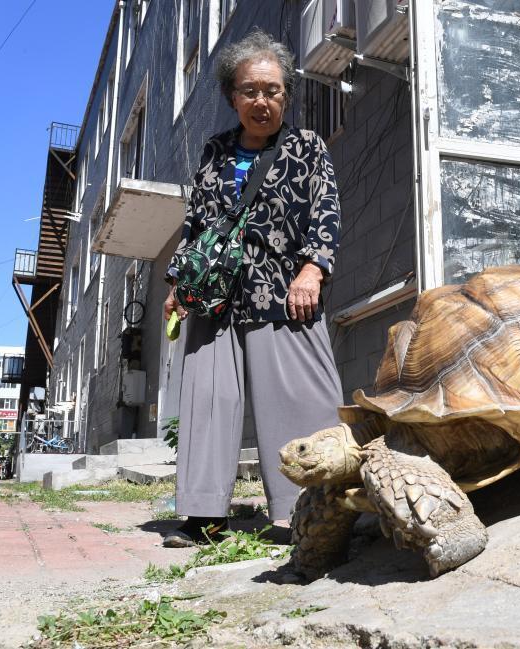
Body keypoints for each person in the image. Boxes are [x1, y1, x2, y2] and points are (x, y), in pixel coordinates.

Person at [161, 29, 343, 547]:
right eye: (250, 91)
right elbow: (197, 223)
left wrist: (313, 270)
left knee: (299, 402)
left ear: (287, 93)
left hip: (283, 291)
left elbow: (325, 214)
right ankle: (203, 518)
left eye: (273, 90)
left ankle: (301, 513)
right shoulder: (215, 150)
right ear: (232, 96)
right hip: (216, 296)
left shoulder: (307, 147)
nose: (262, 101)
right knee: (208, 399)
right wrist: (177, 281)